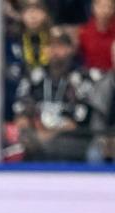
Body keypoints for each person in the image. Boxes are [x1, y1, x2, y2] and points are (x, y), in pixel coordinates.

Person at [13, 27, 101, 160]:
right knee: (18, 140)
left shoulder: (82, 78)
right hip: (36, 135)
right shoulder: (34, 77)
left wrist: (49, 135)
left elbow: (77, 122)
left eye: (60, 46)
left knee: (49, 144)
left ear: (71, 49)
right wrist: (28, 126)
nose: (54, 51)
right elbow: (21, 110)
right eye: (50, 46)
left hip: (71, 140)